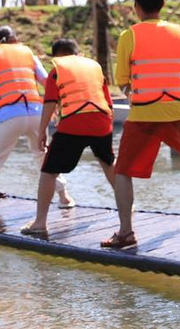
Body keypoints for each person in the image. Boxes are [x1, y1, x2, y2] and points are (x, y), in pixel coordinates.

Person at [101, 0, 180, 249]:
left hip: (143, 114)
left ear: (136, 7)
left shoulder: (128, 36)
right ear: (163, 5)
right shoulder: (179, 33)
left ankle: (126, 232)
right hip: (176, 110)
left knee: (123, 170)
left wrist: (133, 91)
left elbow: (122, 80)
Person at [0, 24, 72, 224]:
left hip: (10, 116)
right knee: (43, 156)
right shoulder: (29, 54)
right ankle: (65, 197)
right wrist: (61, 106)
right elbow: (47, 81)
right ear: (15, 39)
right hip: (36, 114)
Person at [21, 38, 115, 239]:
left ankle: (39, 223)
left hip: (74, 123)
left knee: (48, 172)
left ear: (57, 57)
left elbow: (50, 102)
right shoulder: (95, 67)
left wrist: (42, 130)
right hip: (102, 121)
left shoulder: (58, 70)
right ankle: (128, 206)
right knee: (108, 163)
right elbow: (108, 102)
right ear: (78, 53)